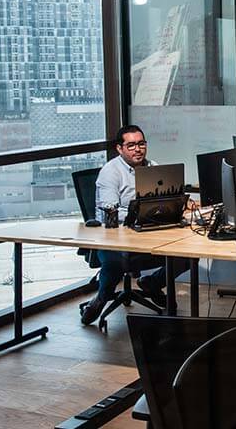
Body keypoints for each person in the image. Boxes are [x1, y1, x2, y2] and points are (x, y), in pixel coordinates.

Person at [80, 125, 174, 325]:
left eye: (141, 144)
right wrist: (141, 212)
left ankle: (152, 283)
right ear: (120, 148)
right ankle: (101, 297)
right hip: (112, 237)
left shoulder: (152, 167)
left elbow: (163, 200)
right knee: (116, 262)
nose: (137, 149)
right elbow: (110, 211)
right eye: (131, 145)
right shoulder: (110, 172)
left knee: (185, 256)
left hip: (145, 232)